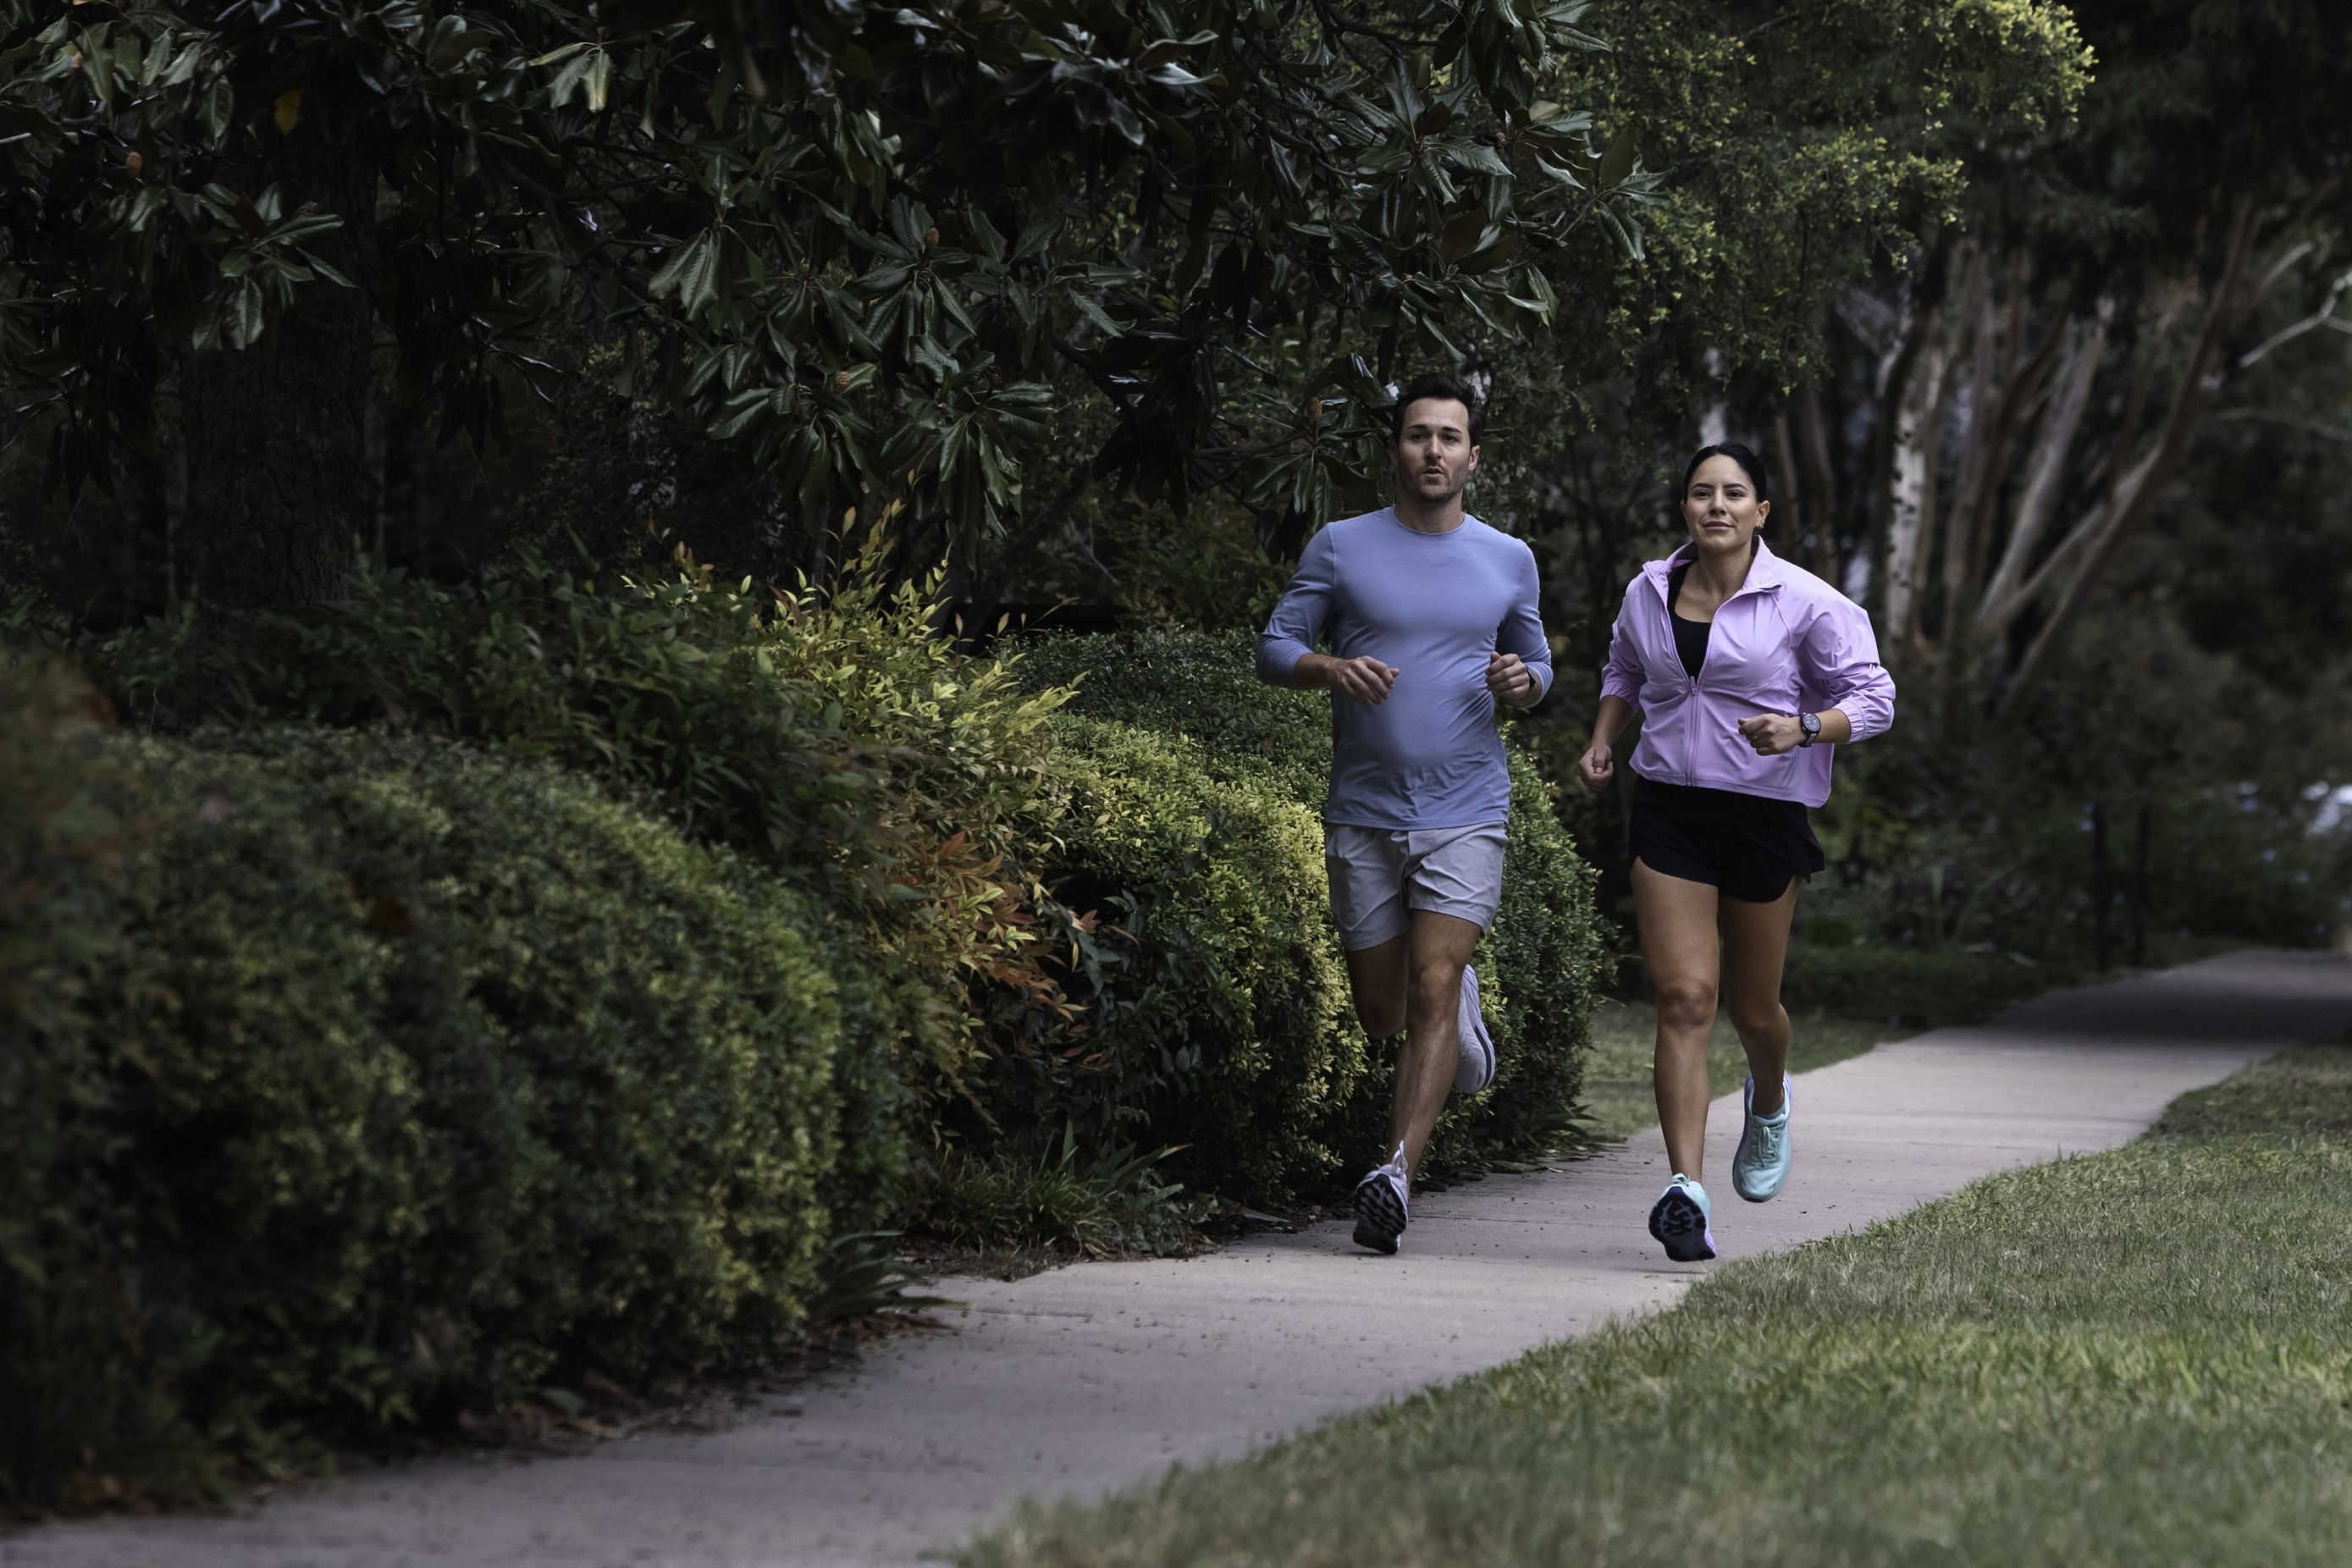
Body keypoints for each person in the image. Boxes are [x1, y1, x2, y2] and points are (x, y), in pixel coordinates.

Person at [1256, 371, 1554, 1256]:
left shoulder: (1509, 557)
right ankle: (1455, 999)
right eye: (1418, 435)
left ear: (1474, 455)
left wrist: (1523, 681)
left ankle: (1394, 1174)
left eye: (1450, 437)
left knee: (1427, 983)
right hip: (1364, 810)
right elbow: (1275, 647)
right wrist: (1327, 668)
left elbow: (1537, 665)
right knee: (1383, 1011)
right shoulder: (1343, 547)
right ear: (1396, 448)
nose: (1434, 450)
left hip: (1468, 807)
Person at [1578, 442, 1894, 1262]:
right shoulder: (1649, 590)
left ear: (1761, 512)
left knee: (1755, 1011)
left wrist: (1803, 727)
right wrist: (1604, 740)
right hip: (1671, 809)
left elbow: (1876, 698)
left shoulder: (1807, 602)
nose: (1715, 505)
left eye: (1734, 493)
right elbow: (1623, 669)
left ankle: (1770, 1094)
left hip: (1764, 813)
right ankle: (1685, 1189)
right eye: (1700, 493)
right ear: (1685, 508)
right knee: (1684, 997)